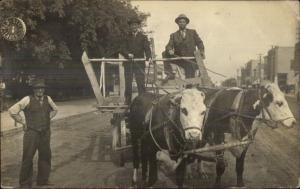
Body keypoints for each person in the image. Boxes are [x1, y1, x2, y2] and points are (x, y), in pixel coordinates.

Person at [8, 79, 58, 188]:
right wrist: (22, 121)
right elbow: (12, 110)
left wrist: (49, 117)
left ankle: (43, 180)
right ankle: (25, 183)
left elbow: (55, 109)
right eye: (37, 88)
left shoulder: (47, 98)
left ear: (44, 89)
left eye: (42, 88)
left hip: (45, 133)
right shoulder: (27, 99)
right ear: (34, 90)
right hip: (32, 133)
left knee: (45, 156)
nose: (40, 90)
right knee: (28, 157)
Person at [162, 14, 205, 81]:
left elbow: (199, 43)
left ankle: (190, 88)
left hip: (190, 59)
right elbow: (168, 45)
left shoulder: (192, 32)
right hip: (179, 59)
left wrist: (201, 51)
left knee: (190, 78)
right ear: (178, 24)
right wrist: (170, 49)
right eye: (180, 22)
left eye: (183, 22)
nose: (182, 23)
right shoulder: (174, 35)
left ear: (186, 23)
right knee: (164, 53)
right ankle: (169, 73)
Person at [121, 17, 152, 105]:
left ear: (138, 26)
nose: (134, 26)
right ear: (130, 26)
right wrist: (128, 54)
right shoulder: (126, 37)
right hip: (128, 63)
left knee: (140, 83)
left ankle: (142, 101)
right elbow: (122, 48)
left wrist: (148, 57)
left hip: (139, 64)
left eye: (135, 25)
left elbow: (147, 49)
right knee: (128, 83)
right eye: (132, 25)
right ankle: (127, 100)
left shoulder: (143, 37)